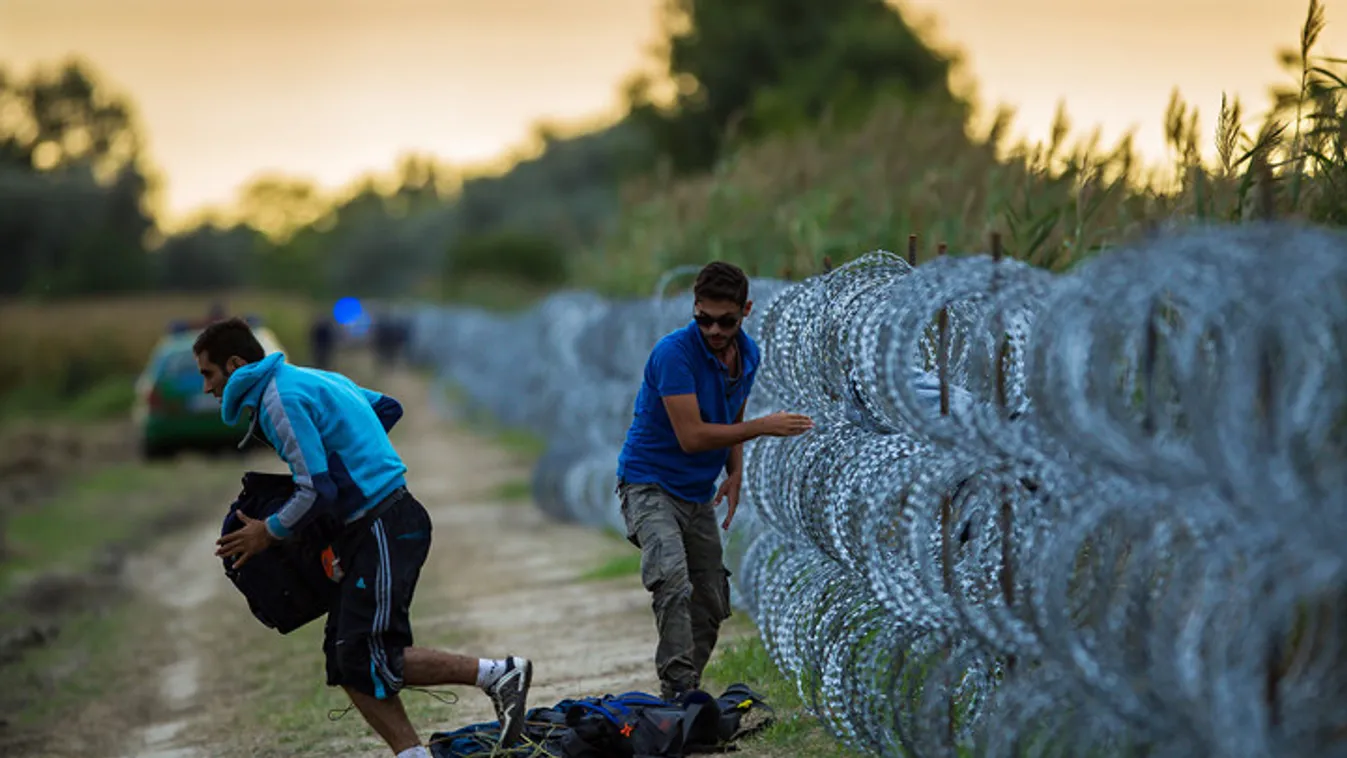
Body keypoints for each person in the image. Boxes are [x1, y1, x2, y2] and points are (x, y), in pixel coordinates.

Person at [197, 317, 532, 757]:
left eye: (208, 374)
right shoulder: (310, 376)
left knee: (366, 654)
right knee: (347, 659)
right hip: (370, 525)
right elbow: (387, 407)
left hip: (384, 524)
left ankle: (499, 674)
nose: (205, 387)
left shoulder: (279, 399)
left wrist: (268, 532)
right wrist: (354, 456)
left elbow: (315, 490)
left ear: (236, 364)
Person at [615, 261, 814, 701]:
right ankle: (679, 687)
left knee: (710, 598)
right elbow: (693, 436)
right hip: (649, 484)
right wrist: (764, 427)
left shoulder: (749, 354)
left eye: (726, 321)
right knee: (671, 578)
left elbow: (732, 413)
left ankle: (685, 697)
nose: (714, 331)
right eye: (703, 319)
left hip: (697, 493)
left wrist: (735, 469)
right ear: (694, 309)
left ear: (746, 311)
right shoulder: (674, 354)